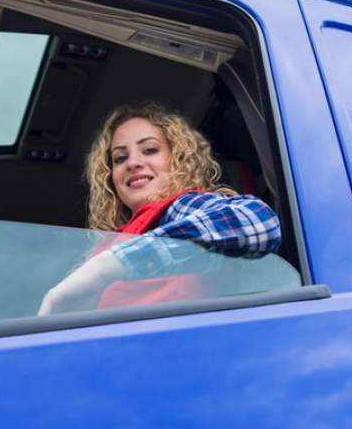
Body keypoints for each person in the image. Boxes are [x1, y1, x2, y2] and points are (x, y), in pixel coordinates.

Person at [38, 102, 282, 315]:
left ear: (178, 160)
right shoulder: (109, 243)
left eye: (150, 150)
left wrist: (109, 267)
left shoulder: (180, 207)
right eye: (120, 158)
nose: (133, 163)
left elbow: (258, 221)